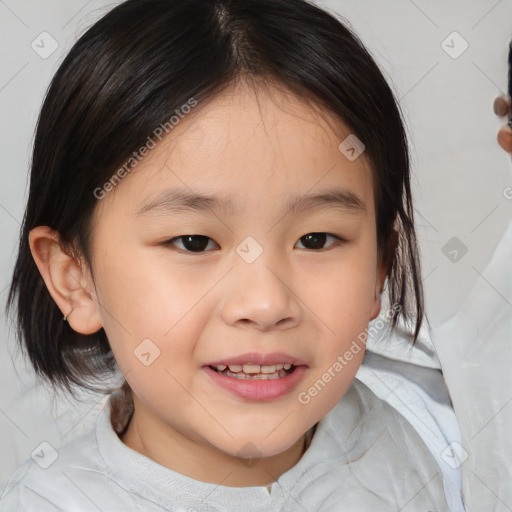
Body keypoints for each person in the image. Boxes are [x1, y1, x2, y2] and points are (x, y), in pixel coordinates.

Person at [0, 0, 467, 510]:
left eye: (315, 240)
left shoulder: (408, 450)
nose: (266, 304)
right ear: (75, 279)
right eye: (194, 242)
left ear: (380, 267)